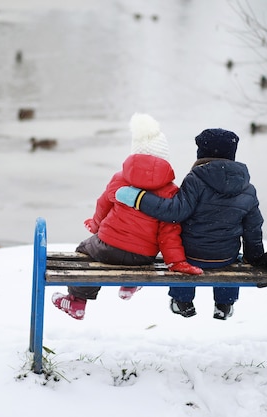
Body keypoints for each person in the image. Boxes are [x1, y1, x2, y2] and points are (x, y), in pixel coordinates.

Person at [52, 113, 204, 320]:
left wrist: (96, 226)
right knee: (138, 253)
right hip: (142, 257)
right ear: (164, 157)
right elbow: (169, 233)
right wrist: (176, 261)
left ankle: (77, 301)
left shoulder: (120, 179)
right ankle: (130, 284)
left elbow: (102, 205)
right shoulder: (170, 191)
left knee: (84, 250)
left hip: (106, 247)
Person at [115, 128, 264, 320]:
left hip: (191, 256)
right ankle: (224, 304)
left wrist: (139, 198)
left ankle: (182, 300)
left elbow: (175, 212)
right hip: (225, 257)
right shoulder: (247, 188)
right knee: (234, 257)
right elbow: (253, 228)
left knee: (183, 252)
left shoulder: (195, 180)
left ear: (201, 154)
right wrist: (254, 258)